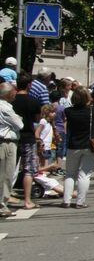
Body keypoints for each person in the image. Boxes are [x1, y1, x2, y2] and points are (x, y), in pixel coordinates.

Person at [62, 87, 94, 209]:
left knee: (70, 173)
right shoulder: (92, 110)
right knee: (85, 174)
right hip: (89, 145)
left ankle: (66, 200)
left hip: (73, 145)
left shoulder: (68, 111)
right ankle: (80, 202)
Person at [12, 73, 42, 210]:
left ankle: (5, 197)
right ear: (29, 85)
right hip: (28, 137)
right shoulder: (34, 101)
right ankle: (27, 200)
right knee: (28, 169)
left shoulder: (11, 100)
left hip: (13, 137)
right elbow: (37, 119)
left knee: (9, 168)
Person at [0, 83, 23, 217]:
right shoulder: (6, 108)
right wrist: (19, 119)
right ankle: (2, 205)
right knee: (6, 175)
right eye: (14, 92)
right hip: (6, 143)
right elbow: (19, 124)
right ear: (9, 94)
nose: (15, 94)